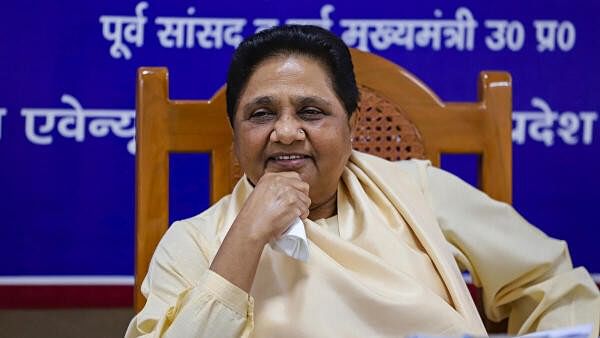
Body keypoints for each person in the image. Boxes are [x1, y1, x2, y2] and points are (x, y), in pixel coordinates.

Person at [125, 25, 599, 337]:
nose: (286, 132)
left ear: (352, 126)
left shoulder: (416, 190)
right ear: (235, 133)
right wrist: (246, 239)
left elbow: (551, 282)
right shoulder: (194, 241)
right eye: (261, 114)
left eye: (311, 112)